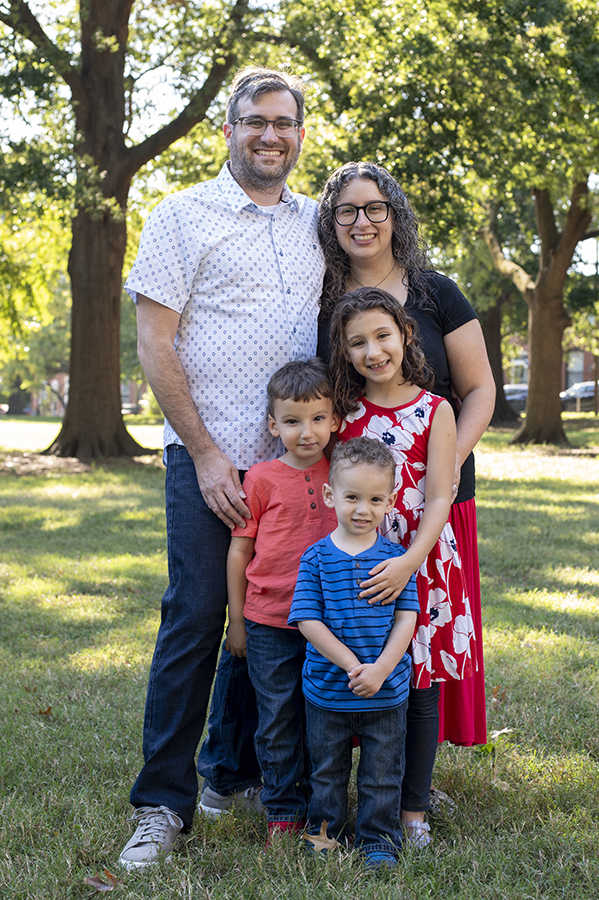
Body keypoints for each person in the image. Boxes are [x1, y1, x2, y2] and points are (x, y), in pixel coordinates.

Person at [118, 66, 325, 870]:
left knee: (273, 617)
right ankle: (161, 806)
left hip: (300, 464)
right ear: (228, 130)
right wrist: (205, 452)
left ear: (299, 134)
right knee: (200, 616)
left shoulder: (318, 219)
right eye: (253, 122)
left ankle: (229, 773)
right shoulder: (182, 215)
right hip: (208, 458)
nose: (269, 135)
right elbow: (155, 343)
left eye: (283, 122)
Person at [317, 161, 495, 820]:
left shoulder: (435, 290)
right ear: (331, 225)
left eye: (374, 208)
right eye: (346, 212)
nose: (361, 222)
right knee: (360, 640)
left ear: (395, 213)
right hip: (358, 513)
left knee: (420, 651)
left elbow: (478, 389)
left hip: (434, 504)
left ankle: (410, 793)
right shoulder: (323, 295)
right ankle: (361, 780)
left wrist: (432, 461)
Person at [329, 285, 477, 842]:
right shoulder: (342, 415)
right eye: (357, 342)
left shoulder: (436, 410)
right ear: (344, 352)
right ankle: (346, 800)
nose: (373, 351)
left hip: (425, 562)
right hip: (360, 567)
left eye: (383, 336)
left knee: (420, 686)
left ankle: (412, 809)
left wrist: (410, 563)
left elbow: (442, 495)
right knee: (363, 674)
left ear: (405, 335)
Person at [288, 437, 419, 870]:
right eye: (352, 497)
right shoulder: (316, 559)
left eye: (375, 499)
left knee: (382, 774)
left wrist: (380, 669)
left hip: (387, 690)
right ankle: (325, 834)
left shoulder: (396, 559)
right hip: (328, 689)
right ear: (330, 496)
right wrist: (351, 666)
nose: (363, 509)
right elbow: (308, 621)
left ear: (390, 501)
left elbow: (407, 619)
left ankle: (378, 839)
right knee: (326, 771)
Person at [223, 358, 339, 840]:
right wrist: (236, 620)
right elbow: (239, 551)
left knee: (324, 718)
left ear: (335, 421)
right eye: (292, 421)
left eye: (317, 419)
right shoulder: (262, 479)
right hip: (268, 621)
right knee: (276, 718)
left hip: (329, 623)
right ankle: (282, 811)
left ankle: (322, 806)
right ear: (273, 425)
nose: (306, 432)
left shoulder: (344, 473)